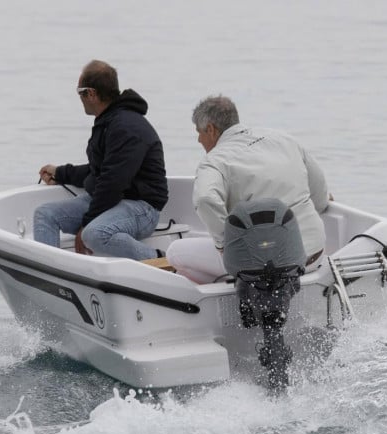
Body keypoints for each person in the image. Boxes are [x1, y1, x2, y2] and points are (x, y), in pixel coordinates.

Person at [166, 96, 330, 283]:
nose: (198, 139)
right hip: (314, 255)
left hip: (264, 267)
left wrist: (225, 246)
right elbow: (320, 195)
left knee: (175, 252)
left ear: (210, 129)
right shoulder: (283, 139)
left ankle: (223, 294)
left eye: (199, 132)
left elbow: (205, 200)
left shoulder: (214, 161)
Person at [33, 60, 168, 260]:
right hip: (113, 200)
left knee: (93, 234)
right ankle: (52, 273)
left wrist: (86, 223)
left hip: (142, 207)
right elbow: (100, 171)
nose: (79, 98)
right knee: (45, 214)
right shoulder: (109, 121)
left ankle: (161, 260)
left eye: (80, 92)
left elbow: (113, 182)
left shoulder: (127, 126)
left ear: (92, 93)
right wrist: (60, 173)